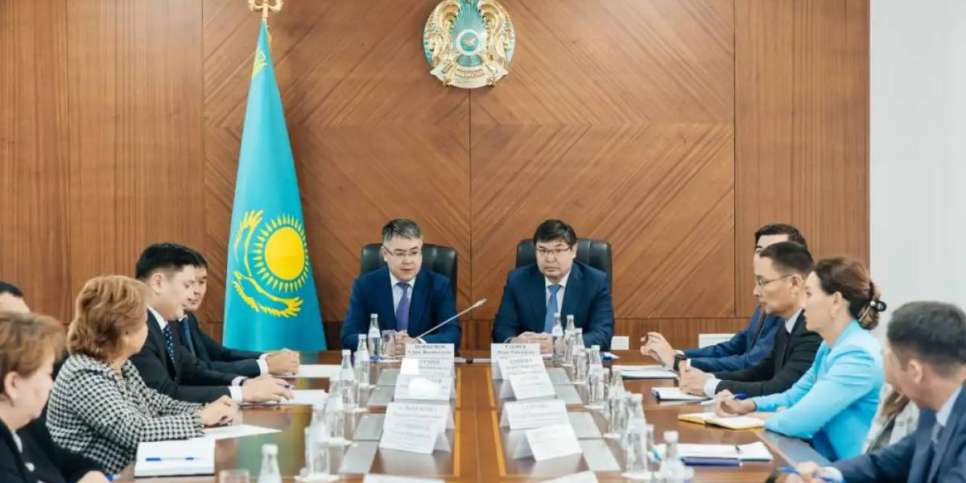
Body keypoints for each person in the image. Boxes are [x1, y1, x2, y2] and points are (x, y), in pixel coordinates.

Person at [46, 276, 237, 474]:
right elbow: (134, 430)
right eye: (145, 322)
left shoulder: (120, 363)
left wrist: (206, 410)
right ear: (124, 331)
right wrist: (199, 419)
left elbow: (156, 403)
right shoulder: (85, 375)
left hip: (135, 471)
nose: (148, 329)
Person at [713, 257, 885, 461]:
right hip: (816, 460)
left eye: (809, 294)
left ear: (836, 301)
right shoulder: (829, 346)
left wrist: (750, 417)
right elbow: (792, 397)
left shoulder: (858, 355)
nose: (803, 304)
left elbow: (801, 422)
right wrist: (747, 405)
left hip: (841, 470)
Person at [789, 301, 966, 482]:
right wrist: (826, 474)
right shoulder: (934, 409)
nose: (883, 361)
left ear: (915, 372)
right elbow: (887, 462)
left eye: (890, 357)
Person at [130, 243, 292, 404]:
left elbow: (191, 371)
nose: (192, 294)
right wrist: (243, 393)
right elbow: (163, 394)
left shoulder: (165, 323)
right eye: (187, 285)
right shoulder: (134, 327)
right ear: (158, 283)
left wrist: (243, 383)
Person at [641, 224, 806, 372]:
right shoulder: (767, 298)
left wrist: (678, 362)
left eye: (775, 251)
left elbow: (752, 363)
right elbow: (734, 347)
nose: (765, 257)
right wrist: (677, 354)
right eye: (759, 250)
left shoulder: (790, 306)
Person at [678, 242, 822, 397]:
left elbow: (781, 389)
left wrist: (709, 386)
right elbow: (759, 373)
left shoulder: (812, 329)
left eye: (762, 282)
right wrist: (708, 378)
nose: (755, 292)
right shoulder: (787, 326)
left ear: (794, 283)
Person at [0, 310, 108, 483]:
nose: (51, 385)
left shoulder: (27, 426)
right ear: (13, 384)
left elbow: (73, 463)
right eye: (47, 374)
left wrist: (91, 475)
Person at [492, 219, 614, 352]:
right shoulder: (518, 280)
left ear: (573, 250)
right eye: (542, 250)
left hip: (573, 361)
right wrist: (515, 342)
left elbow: (603, 334)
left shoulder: (595, 282)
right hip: (530, 360)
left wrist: (560, 345)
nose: (549, 259)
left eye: (558, 250)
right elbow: (502, 329)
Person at [341, 219, 460, 350]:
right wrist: (383, 343)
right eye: (400, 253)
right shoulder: (364, 285)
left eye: (414, 252)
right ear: (385, 254)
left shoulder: (439, 285)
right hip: (382, 360)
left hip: (423, 361)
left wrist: (417, 343)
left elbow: (452, 335)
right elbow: (348, 336)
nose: (408, 261)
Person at [179, 248, 299, 377]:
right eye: (189, 284)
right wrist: (266, 366)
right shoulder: (168, 324)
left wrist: (268, 357)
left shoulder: (188, 318)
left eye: (201, 282)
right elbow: (197, 369)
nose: (197, 290)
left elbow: (221, 354)